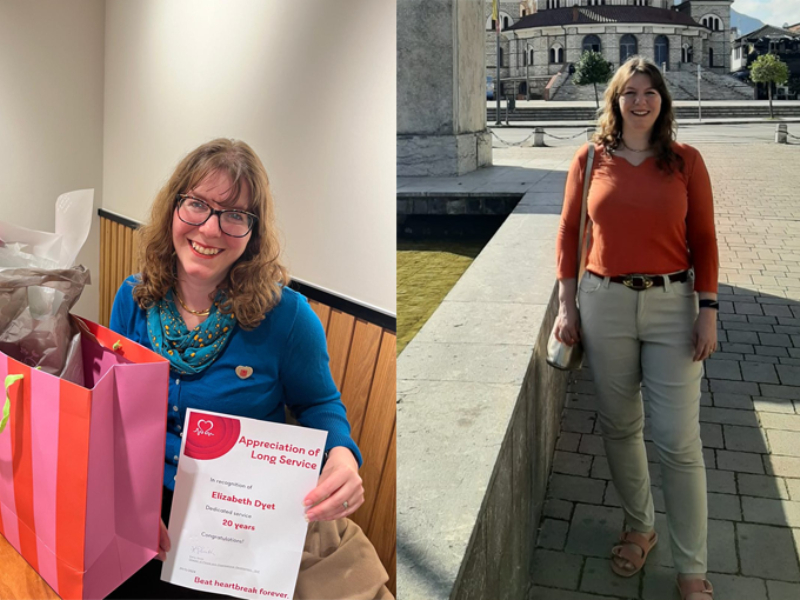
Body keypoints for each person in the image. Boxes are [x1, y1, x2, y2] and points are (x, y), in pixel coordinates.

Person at [108, 138, 391, 600]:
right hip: (141, 509)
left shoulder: (288, 318)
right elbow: (114, 413)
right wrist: (130, 501)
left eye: (235, 215)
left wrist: (342, 456)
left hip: (236, 523)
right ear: (173, 209)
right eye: (197, 204)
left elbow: (319, 403)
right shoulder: (134, 297)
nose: (211, 229)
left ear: (253, 233)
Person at [554, 57, 718, 600]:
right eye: (630, 92)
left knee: (678, 441)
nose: (641, 101)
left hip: (673, 304)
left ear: (663, 101)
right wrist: (567, 307)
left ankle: (692, 565)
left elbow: (705, 239)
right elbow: (567, 236)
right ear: (615, 101)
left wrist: (708, 308)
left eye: (650, 92)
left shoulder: (686, 162)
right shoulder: (589, 158)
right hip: (604, 302)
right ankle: (640, 526)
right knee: (620, 426)